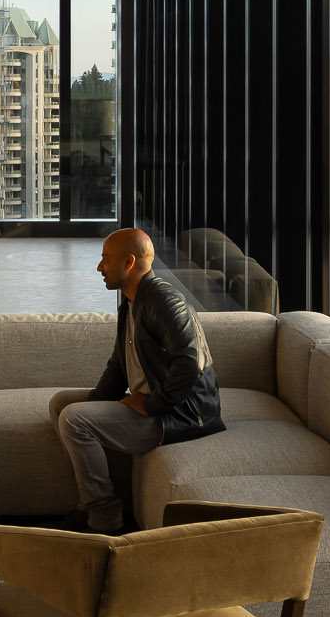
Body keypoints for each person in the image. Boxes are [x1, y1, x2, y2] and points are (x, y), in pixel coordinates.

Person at [50, 227, 223, 533]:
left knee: (75, 420)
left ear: (129, 262)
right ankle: (88, 499)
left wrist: (155, 403)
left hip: (181, 415)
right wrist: (96, 402)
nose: (99, 267)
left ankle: (104, 516)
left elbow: (190, 361)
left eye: (106, 259)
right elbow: (119, 367)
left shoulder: (163, 300)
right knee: (62, 404)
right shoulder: (131, 303)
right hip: (159, 404)